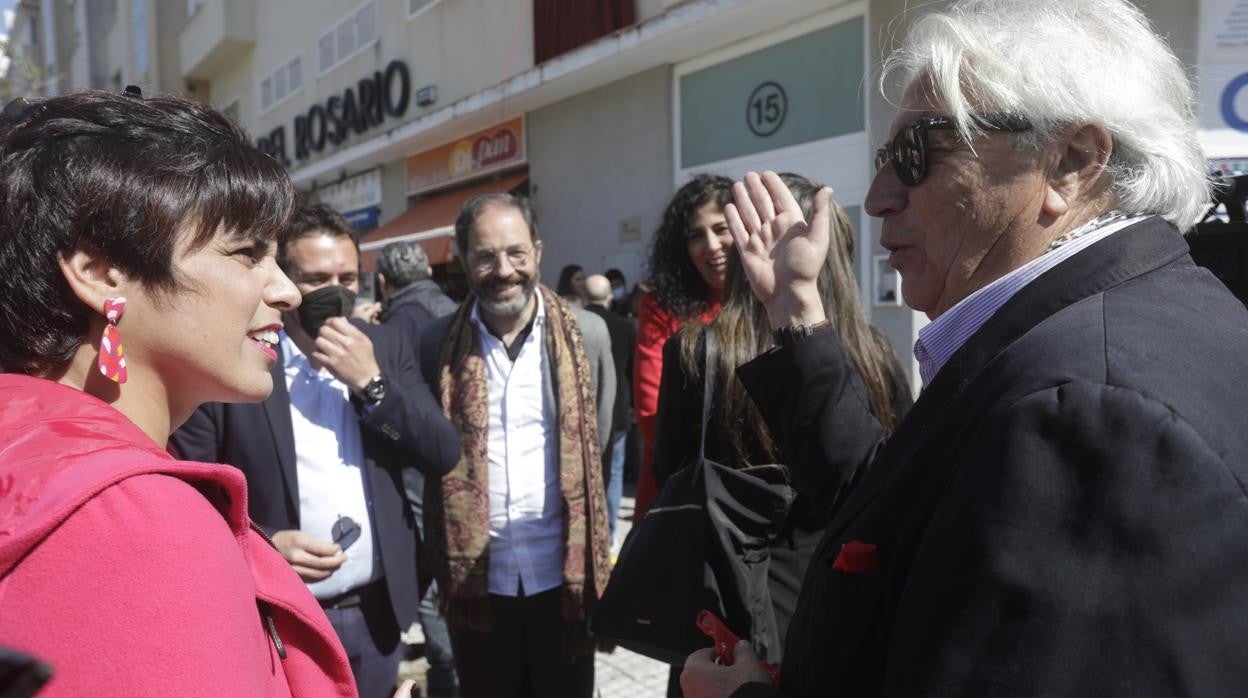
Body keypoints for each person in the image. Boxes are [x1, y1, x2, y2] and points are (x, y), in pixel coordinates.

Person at [681, 1, 1248, 696]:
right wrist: (797, 312)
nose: (880, 196)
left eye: (919, 153)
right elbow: (903, 522)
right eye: (886, 158)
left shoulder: (1092, 417)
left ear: (1070, 162)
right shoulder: (1110, 331)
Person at [0, 90, 356, 695]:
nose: (287, 291)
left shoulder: (35, 449)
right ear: (99, 273)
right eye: (246, 253)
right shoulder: (140, 524)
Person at [171, 203, 460, 698]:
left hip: (376, 611)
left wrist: (372, 384)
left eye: (348, 276)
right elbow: (187, 488)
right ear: (283, 278)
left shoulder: (383, 345)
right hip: (281, 615)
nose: (336, 290)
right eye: (317, 276)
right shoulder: (236, 357)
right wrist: (261, 544)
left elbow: (442, 450)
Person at [653, 174, 911, 696]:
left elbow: (671, 477)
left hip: (720, 611)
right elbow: (892, 486)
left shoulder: (698, 350)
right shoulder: (876, 352)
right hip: (833, 606)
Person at [419, 192, 615, 698]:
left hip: (562, 581)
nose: (503, 269)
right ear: (463, 260)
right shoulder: (435, 343)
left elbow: (603, 438)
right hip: (478, 588)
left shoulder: (589, 335)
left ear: (539, 253)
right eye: (485, 255)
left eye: (516, 253)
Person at [374, 237, 462, 697]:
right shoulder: (459, 310)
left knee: (427, 570)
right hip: (467, 467)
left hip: (413, 463)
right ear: (428, 272)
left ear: (384, 282)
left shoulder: (394, 328)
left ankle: (447, 668)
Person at [633, 174, 735, 521]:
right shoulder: (662, 307)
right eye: (696, 235)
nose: (711, 245)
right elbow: (650, 414)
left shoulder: (771, 298)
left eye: (721, 229)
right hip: (679, 496)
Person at [583, 273, 637, 543]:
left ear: (583, 297)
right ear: (609, 297)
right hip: (617, 407)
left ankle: (590, 530)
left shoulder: (574, 323)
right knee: (614, 474)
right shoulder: (626, 326)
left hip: (583, 410)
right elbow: (633, 370)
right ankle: (610, 535)